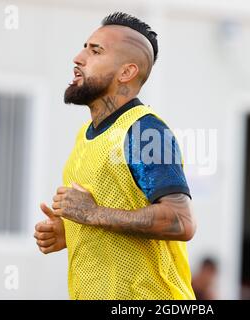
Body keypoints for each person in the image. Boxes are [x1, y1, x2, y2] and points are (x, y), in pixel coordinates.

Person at [33, 12, 196, 300]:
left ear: (126, 72)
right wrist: (70, 233)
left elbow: (180, 221)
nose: (78, 58)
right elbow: (108, 219)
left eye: (95, 51)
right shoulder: (85, 134)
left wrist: (92, 214)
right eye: (85, 47)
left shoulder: (146, 130)